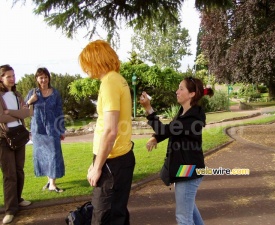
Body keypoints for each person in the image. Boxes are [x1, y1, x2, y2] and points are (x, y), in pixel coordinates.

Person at [139, 77, 214, 225]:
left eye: (181, 88)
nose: (177, 91)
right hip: (186, 169)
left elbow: (167, 129)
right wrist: (156, 137)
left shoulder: (192, 117)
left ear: (191, 94)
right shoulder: (185, 112)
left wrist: (149, 109)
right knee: (189, 210)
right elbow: (171, 131)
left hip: (188, 170)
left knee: (183, 218)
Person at [79, 40, 135, 225]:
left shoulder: (110, 82)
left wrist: (98, 167)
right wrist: (95, 162)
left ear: (96, 60)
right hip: (119, 158)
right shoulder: (118, 79)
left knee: (103, 217)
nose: (86, 69)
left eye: (87, 64)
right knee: (117, 214)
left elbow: (110, 130)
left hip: (113, 162)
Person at [0, 64, 32, 224]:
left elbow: (28, 112)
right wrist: (18, 115)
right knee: (9, 175)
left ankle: (18, 199)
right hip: (4, 140)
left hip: (19, 137)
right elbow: (0, 118)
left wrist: (10, 113)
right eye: (8, 76)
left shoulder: (17, 94)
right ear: (1, 78)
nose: (12, 79)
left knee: (19, 171)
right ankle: (10, 210)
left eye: (13, 76)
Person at [25, 67, 65, 193]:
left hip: (52, 129)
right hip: (38, 130)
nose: (44, 80)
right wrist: (31, 101)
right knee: (43, 156)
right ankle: (49, 181)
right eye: (41, 77)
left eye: (46, 77)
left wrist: (62, 129)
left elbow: (59, 112)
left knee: (53, 155)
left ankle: (53, 183)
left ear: (49, 78)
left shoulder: (55, 93)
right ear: (37, 79)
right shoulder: (33, 93)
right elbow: (24, 109)